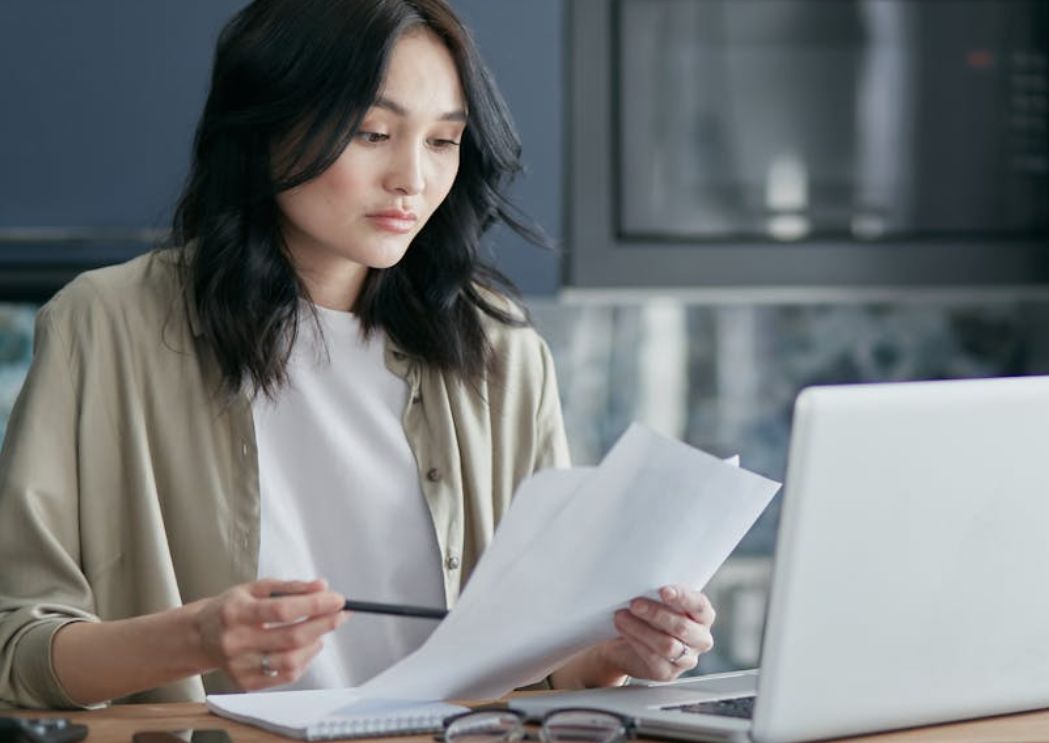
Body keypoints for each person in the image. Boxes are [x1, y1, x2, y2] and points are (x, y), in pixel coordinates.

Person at [0, 0, 715, 710]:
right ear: (265, 125)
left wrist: (614, 652)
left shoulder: (502, 352)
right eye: (373, 133)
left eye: (442, 141)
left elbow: (546, 658)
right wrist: (199, 635)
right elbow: (16, 646)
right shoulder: (105, 325)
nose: (412, 178)